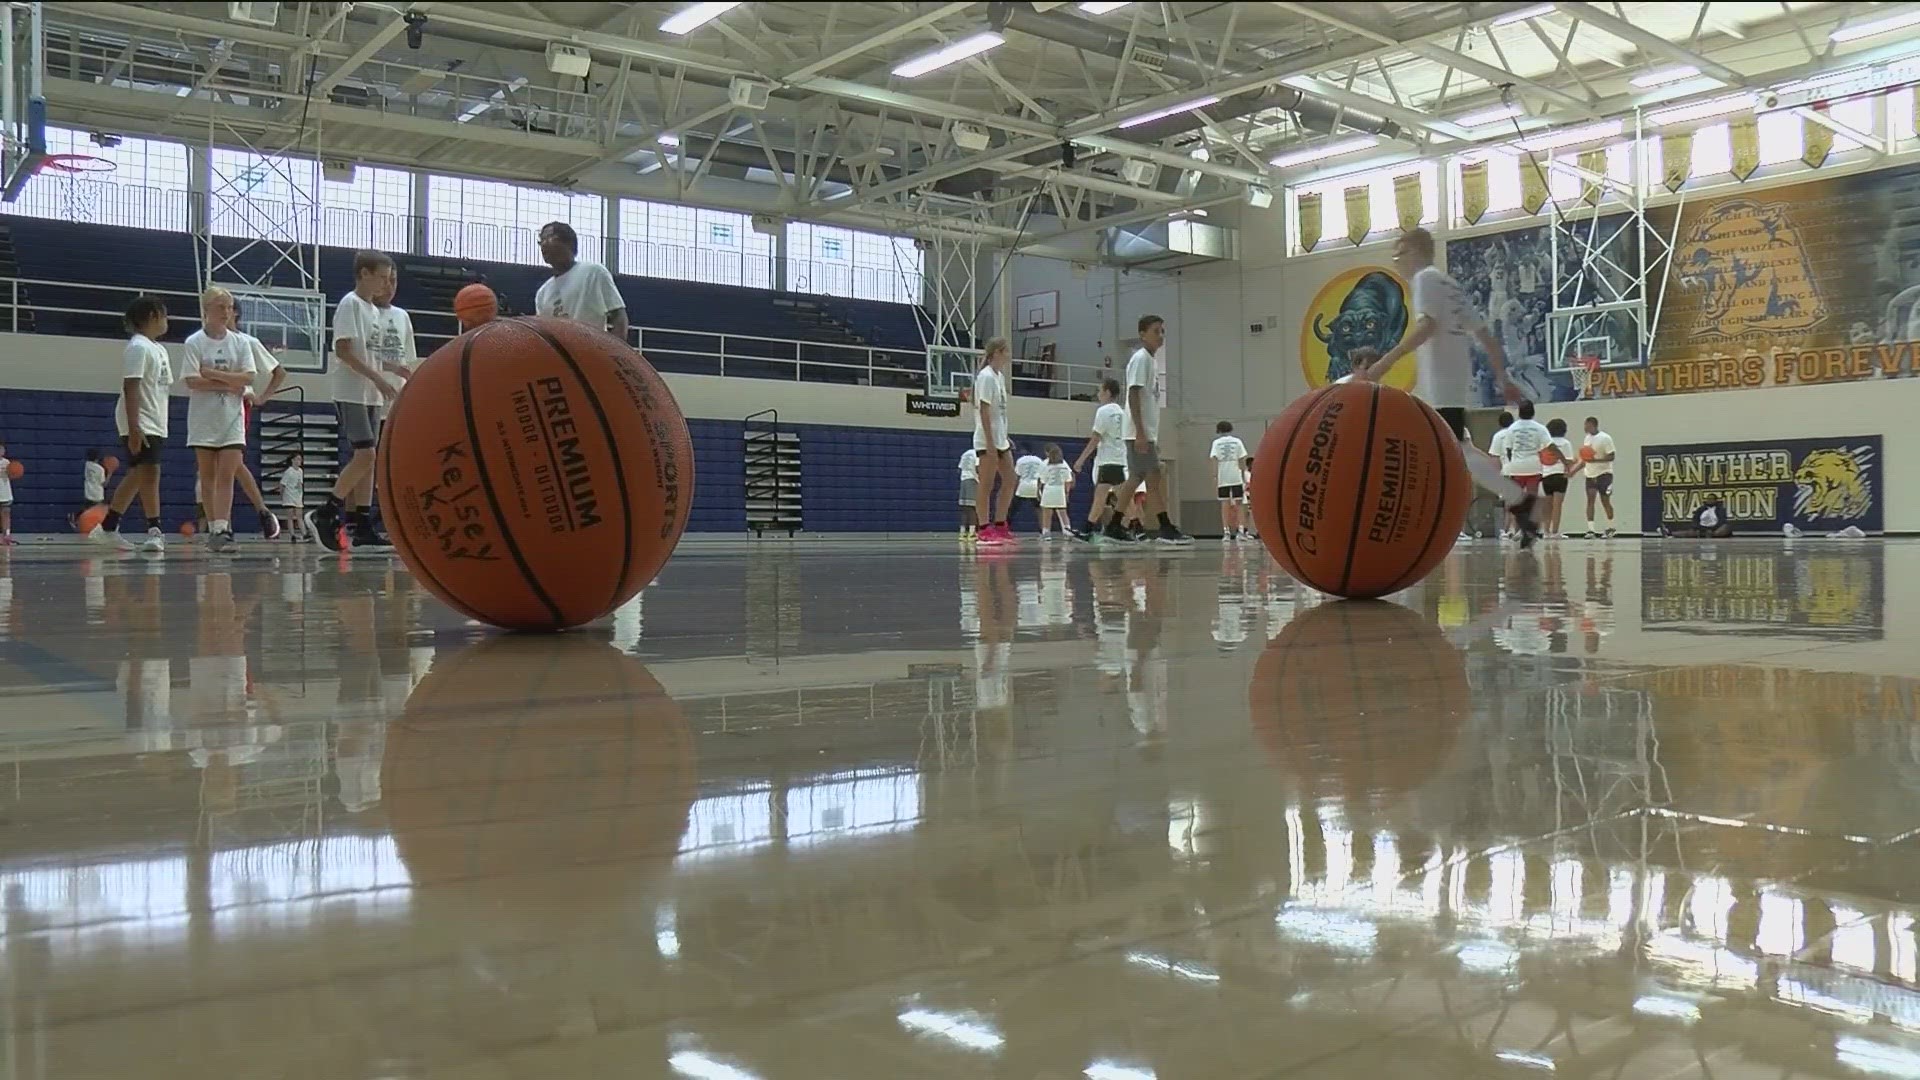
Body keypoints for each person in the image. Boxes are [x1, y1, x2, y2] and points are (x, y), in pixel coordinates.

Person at [1354, 226, 1541, 547]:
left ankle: (1427, 520)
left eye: (1400, 254)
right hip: (1454, 382)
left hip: (1442, 384)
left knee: (1439, 449)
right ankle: (1519, 502)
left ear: (1414, 251)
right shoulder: (1451, 285)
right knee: (1458, 450)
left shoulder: (1424, 279)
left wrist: (1385, 362)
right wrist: (1502, 376)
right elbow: (1486, 337)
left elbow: (1427, 327)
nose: (1398, 261)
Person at [308, 249, 415, 552]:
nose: (386, 284)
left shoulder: (372, 311)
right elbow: (343, 350)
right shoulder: (350, 304)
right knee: (365, 455)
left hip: (371, 393)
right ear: (365, 274)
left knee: (370, 462)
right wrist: (379, 378)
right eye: (381, 278)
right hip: (351, 391)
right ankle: (325, 511)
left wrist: (395, 369)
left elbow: (374, 353)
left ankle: (363, 523)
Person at [89, 296, 172, 553]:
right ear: (151, 316)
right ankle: (155, 530)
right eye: (164, 315)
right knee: (150, 473)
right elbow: (131, 386)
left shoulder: (158, 348)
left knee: (138, 473)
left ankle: (107, 528)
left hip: (155, 420)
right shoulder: (138, 347)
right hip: (140, 420)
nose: (167, 321)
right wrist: (135, 428)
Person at [180, 286, 258, 554]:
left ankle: (223, 528)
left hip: (231, 418)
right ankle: (214, 527)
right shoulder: (194, 342)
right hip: (203, 419)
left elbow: (248, 377)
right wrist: (229, 383)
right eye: (220, 307)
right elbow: (192, 380)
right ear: (207, 310)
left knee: (227, 472)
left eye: (229, 307)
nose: (226, 312)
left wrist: (213, 374)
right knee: (209, 475)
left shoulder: (241, 343)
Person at [1104, 314, 1192, 545]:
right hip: (1136, 432)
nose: (1160, 336)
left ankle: (1115, 525)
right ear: (1142, 335)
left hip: (1144, 432)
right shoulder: (1140, 359)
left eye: (1162, 331)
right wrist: (1141, 433)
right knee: (1149, 477)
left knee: (1138, 478)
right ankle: (1164, 527)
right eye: (1156, 331)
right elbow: (1133, 394)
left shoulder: (1150, 361)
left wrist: (1150, 435)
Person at [535, 221, 628, 339]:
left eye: (549, 238)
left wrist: (615, 352)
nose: (543, 244)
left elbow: (619, 317)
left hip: (591, 351)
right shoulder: (542, 293)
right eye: (541, 240)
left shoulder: (594, 272)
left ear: (569, 243)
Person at [971, 338, 1017, 546]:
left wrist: (1004, 436)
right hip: (986, 439)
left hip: (1000, 440)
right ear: (998, 352)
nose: (1009, 355)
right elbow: (984, 410)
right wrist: (989, 442)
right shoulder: (986, 377)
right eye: (1006, 351)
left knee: (1010, 479)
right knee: (987, 484)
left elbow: (1000, 414)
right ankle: (983, 528)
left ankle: (1000, 523)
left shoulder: (999, 377)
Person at [1070, 377, 1127, 542]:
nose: (1098, 394)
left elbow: (1096, 438)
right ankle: (1135, 528)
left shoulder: (1103, 411)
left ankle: (1088, 529)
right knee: (1121, 498)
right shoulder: (1122, 413)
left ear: (1108, 392)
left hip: (1107, 460)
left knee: (1101, 497)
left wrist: (1080, 460)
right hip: (1120, 460)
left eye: (1100, 391)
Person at [1501, 401, 1551, 541]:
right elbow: (1549, 446)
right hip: (1533, 467)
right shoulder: (1540, 428)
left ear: (1519, 413)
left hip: (1516, 468)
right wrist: (1564, 461)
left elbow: (1509, 450)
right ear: (1533, 412)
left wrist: (1514, 463)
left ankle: (1519, 530)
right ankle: (1530, 530)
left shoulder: (1511, 428)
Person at [1209, 420, 1251, 541]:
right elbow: (1242, 459)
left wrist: (1214, 476)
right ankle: (1241, 531)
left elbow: (1214, 460)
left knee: (1225, 504)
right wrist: (1243, 474)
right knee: (1239, 504)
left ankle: (1226, 532)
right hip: (1236, 475)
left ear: (1218, 430)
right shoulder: (1237, 441)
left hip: (1223, 476)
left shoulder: (1216, 443)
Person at [1541, 418, 1581, 539]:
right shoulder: (1565, 443)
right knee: (1557, 505)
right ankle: (1555, 532)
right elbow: (1568, 461)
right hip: (1560, 475)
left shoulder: (1545, 443)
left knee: (1548, 504)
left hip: (1546, 475)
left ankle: (1546, 531)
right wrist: (1576, 461)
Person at [1582, 415, 1617, 538]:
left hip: (1604, 474)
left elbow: (1611, 456)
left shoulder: (1605, 438)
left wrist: (1596, 460)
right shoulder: (1586, 439)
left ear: (1593, 425)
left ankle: (1611, 527)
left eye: (1587, 425)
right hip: (1590, 474)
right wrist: (1573, 470)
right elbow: (1585, 459)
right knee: (1590, 500)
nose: (1585, 427)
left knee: (1605, 500)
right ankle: (1591, 529)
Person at [1038, 443, 1073, 540]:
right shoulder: (1064, 464)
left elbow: (1042, 480)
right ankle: (1067, 531)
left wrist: (1039, 491)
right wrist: (1067, 493)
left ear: (1047, 453)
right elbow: (1068, 480)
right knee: (1063, 513)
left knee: (1047, 513)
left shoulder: (1044, 463)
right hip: (1060, 490)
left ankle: (1046, 533)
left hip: (1049, 490)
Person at [1012, 446, 1044, 537]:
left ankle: (1006, 527)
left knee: (1012, 509)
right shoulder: (1039, 460)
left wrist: (1014, 490)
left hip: (1022, 486)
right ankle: (1043, 530)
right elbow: (1041, 477)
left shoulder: (1020, 460)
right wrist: (1039, 489)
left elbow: (1017, 476)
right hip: (1035, 486)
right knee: (1039, 509)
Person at [74, 448, 106, 529]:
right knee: (98, 511)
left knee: (87, 509)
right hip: (97, 494)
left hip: (88, 492)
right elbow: (104, 483)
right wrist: (110, 473)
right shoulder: (100, 469)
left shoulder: (87, 465)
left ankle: (76, 518)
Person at [281, 453, 307, 543]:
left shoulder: (300, 471)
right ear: (292, 460)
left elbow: (300, 483)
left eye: (300, 459)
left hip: (298, 496)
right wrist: (282, 495)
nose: (299, 461)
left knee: (299, 516)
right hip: (289, 496)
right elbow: (282, 484)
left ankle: (304, 534)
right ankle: (292, 535)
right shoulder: (288, 471)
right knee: (290, 517)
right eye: (297, 459)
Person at [957, 447, 979, 543]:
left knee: (965, 508)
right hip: (973, 480)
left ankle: (963, 532)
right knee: (973, 508)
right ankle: (972, 532)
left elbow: (959, 469)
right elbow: (978, 468)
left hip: (964, 480)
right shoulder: (977, 453)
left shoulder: (966, 453)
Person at [0, 441, 13, 546]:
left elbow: (13, 475)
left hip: (5, 492)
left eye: (2, 449)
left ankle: (6, 535)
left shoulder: (7, 463)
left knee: (6, 514)